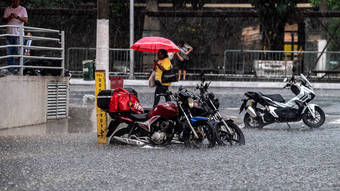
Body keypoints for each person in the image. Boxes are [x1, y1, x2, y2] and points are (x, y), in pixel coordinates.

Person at [3, 0, 28, 74]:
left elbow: (26, 20)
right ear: (12, 1)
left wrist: (17, 17)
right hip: (9, 34)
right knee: (9, 53)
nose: (16, 2)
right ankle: (11, 70)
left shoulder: (22, 9)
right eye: (14, 0)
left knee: (19, 53)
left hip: (19, 35)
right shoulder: (7, 9)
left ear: (19, 1)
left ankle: (20, 70)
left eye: (17, 0)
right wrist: (10, 17)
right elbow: (4, 20)